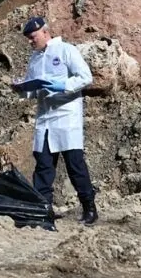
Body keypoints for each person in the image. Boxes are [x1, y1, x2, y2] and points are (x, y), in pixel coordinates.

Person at [12, 16, 99, 225]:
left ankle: (89, 208)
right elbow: (33, 90)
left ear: (44, 32)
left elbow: (86, 77)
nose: (31, 42)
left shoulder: (66, 50)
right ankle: (45, 209)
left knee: (75, 165)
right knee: (43, 167)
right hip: (45, 119)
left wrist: (61, 86)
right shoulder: (34, 59)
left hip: (66, 116)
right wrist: (21, 89)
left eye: (33, 37)